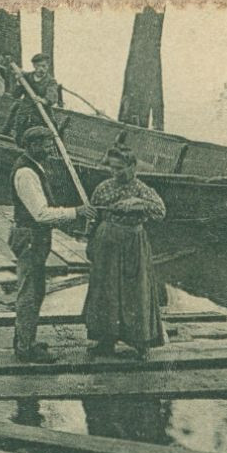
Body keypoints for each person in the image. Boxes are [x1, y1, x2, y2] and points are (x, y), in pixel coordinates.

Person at [10, 126, 94, 363]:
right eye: (45, 145)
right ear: (32, 145)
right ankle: (26, 348)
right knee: (30, 292)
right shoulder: (26, 173)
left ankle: (25, 339)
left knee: (35, 290)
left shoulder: (34, 166)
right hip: (30, 238)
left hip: (34, 238)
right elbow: (41, 214)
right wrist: (76, 212)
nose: (49, 149)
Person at [83, 145, 167, 358]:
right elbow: (93, 216)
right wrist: (89, 240)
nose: (116, 172)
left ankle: (141, 342)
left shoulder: (142, 189)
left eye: (120, 168)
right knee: (105, 291)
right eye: (112, 168)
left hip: (133, 244)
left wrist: (138, 203)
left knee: (136, 291)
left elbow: (160, 212)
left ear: (132, 166)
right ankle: (106, 340)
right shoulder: (103, 188)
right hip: (106, 243)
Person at [5, 53, 63, 138]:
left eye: (44, 66)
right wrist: (18, 83)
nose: (41, 69)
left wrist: (44, 100)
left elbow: (52, 96)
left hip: (42, 113)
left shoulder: (50, 81)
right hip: (25, 111)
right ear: (34, 66)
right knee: (20, 135)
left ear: (47, 66)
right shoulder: (26, 77)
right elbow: (16, 95)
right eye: (39, 66)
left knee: (44, 135)